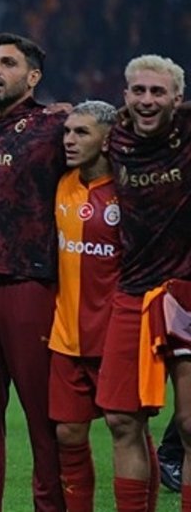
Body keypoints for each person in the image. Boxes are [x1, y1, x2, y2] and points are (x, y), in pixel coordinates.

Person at [0, 33, 67, 511]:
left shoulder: (56, 125)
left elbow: (107, 126)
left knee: (44, 420)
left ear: (33, 76)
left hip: (31, 282)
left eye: (8, 63)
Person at [97, 54, 189, 511]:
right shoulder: (112, 136)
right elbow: (61, 121)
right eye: (139, 90)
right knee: (121, 419)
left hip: (186, 291)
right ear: (125, 95)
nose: (147, 100)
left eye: (158, 92)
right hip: (133, 291)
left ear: (177, 98)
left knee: (190, 425)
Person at [47, 100, 119, 512]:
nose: (69, 140)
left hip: (114, 335)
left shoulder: (126, 191)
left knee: (125, 429)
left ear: (107, 141)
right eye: (67, 132)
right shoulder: (61, 183)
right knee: (69, 434)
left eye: (81, 133)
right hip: (66, 336)